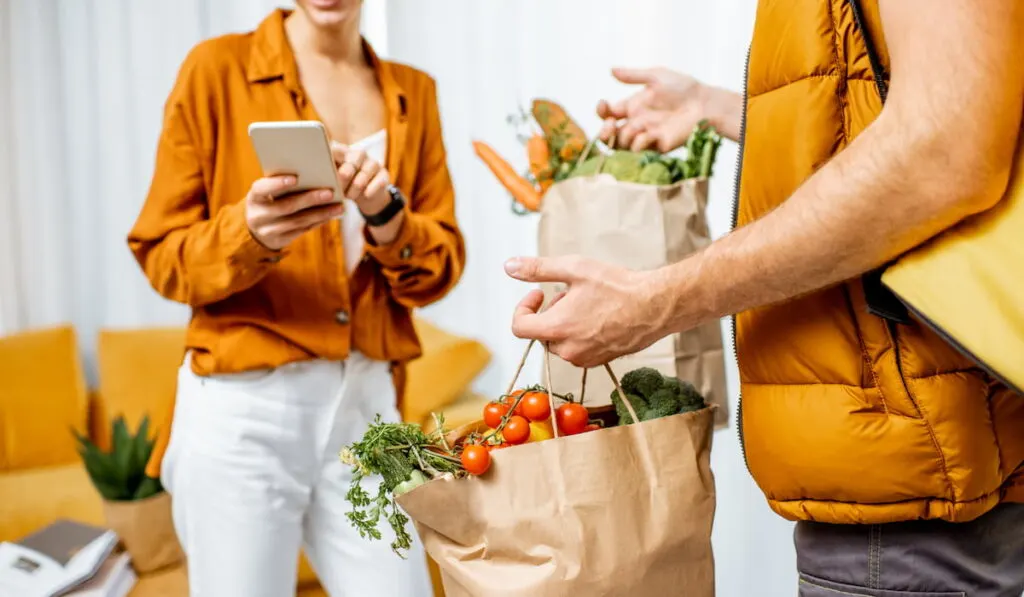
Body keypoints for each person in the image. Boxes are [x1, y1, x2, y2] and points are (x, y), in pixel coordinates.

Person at [506, 1, 1024, 595]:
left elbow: (943, 150)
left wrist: (657, 301)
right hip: (918, 453)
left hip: (909, 475)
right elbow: (890, 105)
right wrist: (717, 107)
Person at [127, 1, 463, 595]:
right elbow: (160, 254)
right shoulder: (216, 70)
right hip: (241, 411)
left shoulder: (415, 92)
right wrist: (248, 233)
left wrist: (387, 216)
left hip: (367, 406)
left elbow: (437, 271)